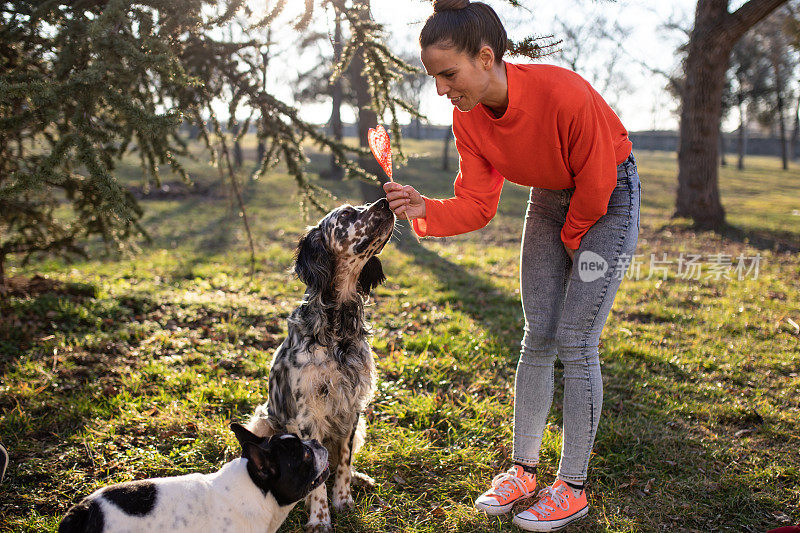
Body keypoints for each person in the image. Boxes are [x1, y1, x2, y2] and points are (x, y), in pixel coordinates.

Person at [383, 0, 640, 530]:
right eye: (434, 77)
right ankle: (523, 470)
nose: (441, 89)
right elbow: (478, 204)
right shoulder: (467, 118)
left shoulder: (563, 93)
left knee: (576, 338)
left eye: (448, 74)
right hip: (549, 198)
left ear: (485, 56)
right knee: (536, 337)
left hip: (609, 199)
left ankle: (572, 486)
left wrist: (573, 242)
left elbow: (596, 186)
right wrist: (424, 207)